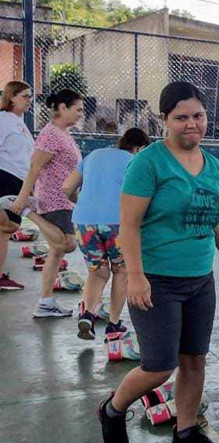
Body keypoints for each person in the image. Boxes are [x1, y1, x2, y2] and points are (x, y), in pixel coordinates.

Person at [97, 82, 219, 443]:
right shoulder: (148, 162)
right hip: (157, 281)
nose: (191, 124)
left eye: (197, 116)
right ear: (166, 120)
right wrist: (135, 275)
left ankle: (185, 434)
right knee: (159, 366)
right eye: (181, 117)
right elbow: (128, 225)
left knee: (195, 360)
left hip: (200, 280)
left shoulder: (212, 166)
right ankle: (113, 409)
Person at [62, 128, 151, 340]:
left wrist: (81, 203)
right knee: (121, 271)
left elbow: (67, 188)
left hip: (84, 222)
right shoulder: (134, 161)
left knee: (97, 271)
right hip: (117, 223)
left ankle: (87, 314)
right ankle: (113, 324)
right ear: (138, 148)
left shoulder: (93, 155)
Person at [1, 89, 83, 318]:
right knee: (66, 245)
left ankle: (45, 303)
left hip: (65, 199)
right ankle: (29, 211)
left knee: (57, 252)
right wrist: (21, 200)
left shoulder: (64, 134)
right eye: (78, 109)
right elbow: (34, 167)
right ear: (63, 108)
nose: (80, 114)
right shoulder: (51, 135)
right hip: (54, 198)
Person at [0, 81, 34, 291]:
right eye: (25, 96)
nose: (29, 100)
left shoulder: (19, 123)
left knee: (6, 230)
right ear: (11, 97)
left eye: (30, 96)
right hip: (4, 176)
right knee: (8, 226)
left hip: (17, 180)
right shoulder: (4, 120)